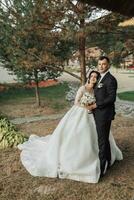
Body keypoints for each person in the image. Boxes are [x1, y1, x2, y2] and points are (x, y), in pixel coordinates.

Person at [18, 71, 123, 183]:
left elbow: (102, 100)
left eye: (95, 77)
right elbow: (76, 102)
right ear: (89, 77)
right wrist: (85, 106)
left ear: (97, 79)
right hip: (80, 113)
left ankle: (100, 157)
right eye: (91, 76)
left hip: (93, 114)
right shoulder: (83, 88)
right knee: (76, 134)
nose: (93, 78)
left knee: (98, 135)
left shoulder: (96, 90)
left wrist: (92, 107)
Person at [88, 56, 121, 177]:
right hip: (97, 113)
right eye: (99, 64)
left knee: (101, 140)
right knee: (103, 138)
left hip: (104, 114)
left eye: (104, 64)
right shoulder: (99, 78)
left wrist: (97, 104)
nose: (101, 66)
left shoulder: (110, 79)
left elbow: (111, 98)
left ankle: (102, 168)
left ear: (108, 65)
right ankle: (108, 159)